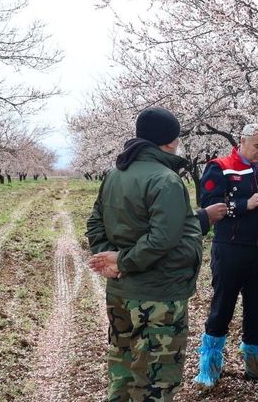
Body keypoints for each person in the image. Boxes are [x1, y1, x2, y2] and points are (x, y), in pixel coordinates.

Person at [86, 107, 203, 402]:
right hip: (158, 294)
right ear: (168, 141)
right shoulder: (166, 180)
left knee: (122, 371)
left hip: (120, 293)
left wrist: (108, 259)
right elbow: (163, 238)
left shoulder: (114, 174)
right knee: (156, 380)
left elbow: (95, 222)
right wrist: (122, 262)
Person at [193, 123, 258, 388]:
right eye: (257, 145)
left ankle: (255, 360)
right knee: (223, 304)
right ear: (242, 141)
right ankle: (210, 363)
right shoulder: (221, 166)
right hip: (231, 247)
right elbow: (209, 204)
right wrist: (242, 205)